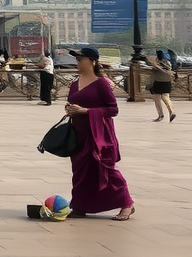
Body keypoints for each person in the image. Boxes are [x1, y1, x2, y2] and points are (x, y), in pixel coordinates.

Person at [65, 48, 134, 220]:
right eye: (77, 59)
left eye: (81, 58)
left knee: (106, 169)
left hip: (99, 135)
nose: (78, 61)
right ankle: (80, 206)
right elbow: (73, 103)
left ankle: (127, 204)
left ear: (93, 61)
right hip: (79, 133)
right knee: (80, 171)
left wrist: (86, 111)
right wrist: (71, 109)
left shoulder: (101, 83)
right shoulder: (74, 83)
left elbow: (113, 109)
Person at [145, 51, 176, 122]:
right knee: (166, 97)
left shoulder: (156, 65)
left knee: (157, 99)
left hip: (158, 83)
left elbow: (152, 76)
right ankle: (171, 111)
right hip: (167, 82)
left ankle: (160, 115)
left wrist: (149, 84)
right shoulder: (168, 64)